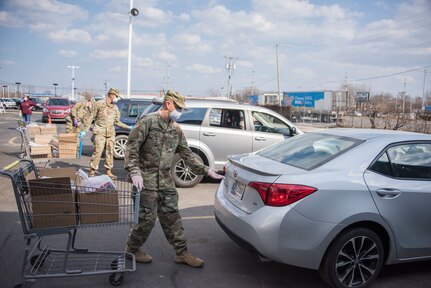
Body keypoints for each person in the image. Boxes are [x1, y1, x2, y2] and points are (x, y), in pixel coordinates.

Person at [124, 90, 224, 268]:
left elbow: (187, 154)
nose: (180, 112)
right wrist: (134, 171)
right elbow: (131, 148)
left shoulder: (176, 128)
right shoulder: (148, 122)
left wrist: (207, 171)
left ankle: (182, 253)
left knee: (172, 218)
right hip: (145, 180)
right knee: (146, 220)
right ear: (168, 104)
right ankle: (132, 249)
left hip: (165, 180)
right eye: (178, 107)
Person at [88, 88, 132, 180]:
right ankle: (92, 171)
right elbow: (91, 116)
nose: (116, 98)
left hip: (111, 134)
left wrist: (127, 127)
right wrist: (85, 128)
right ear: (111, 95)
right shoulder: (99, 104)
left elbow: (117, 122)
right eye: (116, 96)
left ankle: (108, 171)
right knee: (97, 152)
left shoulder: (115, 108)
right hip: (100, 132)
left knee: (110, 153)